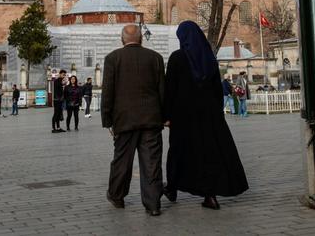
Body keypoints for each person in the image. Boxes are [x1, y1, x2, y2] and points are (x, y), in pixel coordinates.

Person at [163, 21, 249, 209]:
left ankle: (172, 187)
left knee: (179, 151)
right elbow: (217, 89)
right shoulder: (208, 58)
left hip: (183, 115)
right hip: (209, 115)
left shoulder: (177, 58)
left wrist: (166, 115)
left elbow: (170, 89)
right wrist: (217, 111)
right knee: (208, 153)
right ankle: (210, 196)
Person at [102, 24, 165, 216]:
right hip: (151, 119)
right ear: (141, 38)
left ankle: (117, 196)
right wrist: (165, 116)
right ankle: (153, 204)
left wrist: (107, 120)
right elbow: (162, 90)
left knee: (121, 160)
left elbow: (108, 92)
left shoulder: (113, 58)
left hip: (123, 120)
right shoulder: (155, 58)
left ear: (122, 40)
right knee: (151, 162)